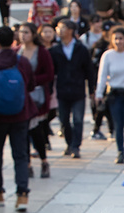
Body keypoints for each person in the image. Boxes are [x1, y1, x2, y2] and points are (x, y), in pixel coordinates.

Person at [0, 24, 34, 210]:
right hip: (20, 115)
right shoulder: (22, 62)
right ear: (13, 41)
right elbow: (31, 85)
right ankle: (22, 195)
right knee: (20, 155)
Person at [95, 24, 124, 164]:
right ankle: (120, 151)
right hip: (115, 94)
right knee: (118, 124)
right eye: (115, 39)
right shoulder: (108, 55)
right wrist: (99, 93)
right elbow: (102, 76)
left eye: (121, 38)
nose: (118, 42)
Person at [16, 21, 55, 177]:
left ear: (33, 34)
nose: (23, 35)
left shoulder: (42, 52)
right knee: (23, 131)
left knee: (36, 129)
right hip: (20, 96)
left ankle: (44, 160)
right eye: (21, 32)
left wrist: (31, 80)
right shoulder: (16, 51)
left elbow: (49, 74)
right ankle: (28, 164)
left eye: (26, 32)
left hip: (36, 96)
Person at [50, 16, 92, 158]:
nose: (59, 31)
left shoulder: (81, 49)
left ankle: (76, 146)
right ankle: (69, 143)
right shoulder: (55, 50)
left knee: (78, 119)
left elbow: (89, 71)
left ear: (70, 31)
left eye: (62, 28)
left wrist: (92, 90)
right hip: (62, 90)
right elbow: (52, 72)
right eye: (58, 28)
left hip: (78, 89)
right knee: (64, 120)